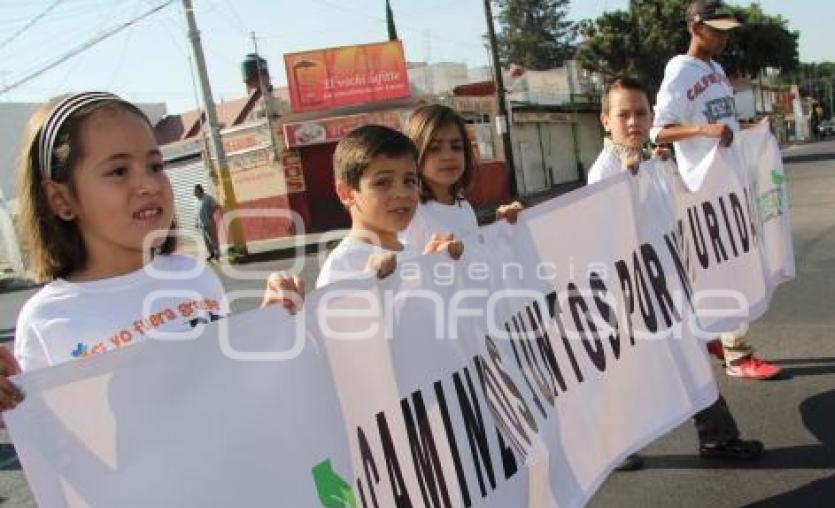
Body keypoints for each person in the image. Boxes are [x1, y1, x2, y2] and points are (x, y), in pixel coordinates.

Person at [0, 92, 301, 412]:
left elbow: (231, 385)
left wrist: (269, 325)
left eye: (155, 165)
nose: (149, 185)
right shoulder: (47, 320)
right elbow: (57, 442)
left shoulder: (194, 275)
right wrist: (13, 404)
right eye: (118, 171)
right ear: (61, 199)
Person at [592, 77, 764, 461]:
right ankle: (618, 446)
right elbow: (612, 234)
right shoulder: (603, 173)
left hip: (668, 287)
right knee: (635, 373)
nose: (633, 122)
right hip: (633, 295)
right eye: (624, 115)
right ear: (606, 120)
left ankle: (715, 436)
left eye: (640, 113)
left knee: (687, 362)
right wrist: (630, 178)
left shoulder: (654, 163)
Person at [651, 0, 783, 381]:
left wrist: (753, 127)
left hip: (732, 184)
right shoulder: (679, 69)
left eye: (727, 30)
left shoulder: (717, 70)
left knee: (729, 266)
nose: (724, 37)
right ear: (695, 28)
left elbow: (721, 122)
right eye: (717, 29)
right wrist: (704, 131)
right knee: (732, 267)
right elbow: (660, 130)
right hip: (705, 190)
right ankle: (737, 355)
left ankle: (715, 336)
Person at [316, 124, 461, 288]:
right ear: (346, 193)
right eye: (382, 182)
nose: (402, 193)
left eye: (409, 181)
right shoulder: (343, 265)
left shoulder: (411, 252)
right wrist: (366, 286)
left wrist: (430, 265)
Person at [400, 104, 523, 254]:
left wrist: (500, 227)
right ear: (414, 154)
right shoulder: (411, 214)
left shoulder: (463, 205)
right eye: (434, 148)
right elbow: (404, 272)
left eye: (456, 146)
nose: (448, 156)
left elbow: (478, 258)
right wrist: (430, 261)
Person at [194, 183, 221, 262]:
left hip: (209, 223)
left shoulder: (208, 198)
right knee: (206, 241)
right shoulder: (197, 201)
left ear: (199, 190)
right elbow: (197, 212)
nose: (194, 193)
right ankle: (211, 254)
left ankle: (217, 254)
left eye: (195, 191)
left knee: (213, 239)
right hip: (202, 225)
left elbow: (216, 206)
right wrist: (196, 222)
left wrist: (210, 213)